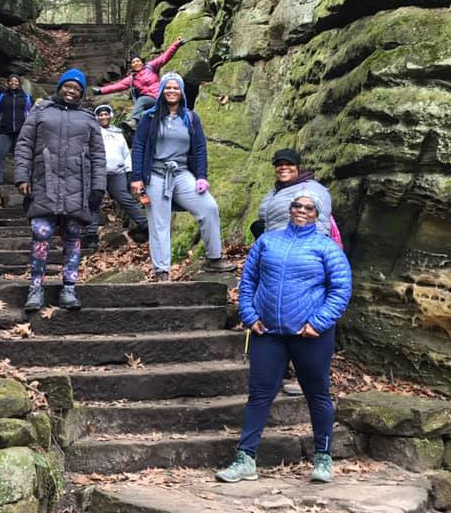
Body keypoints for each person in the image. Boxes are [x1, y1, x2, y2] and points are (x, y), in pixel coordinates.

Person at [215, 189, 352, 485]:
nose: (302, 210)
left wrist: (319, 322)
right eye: (297, 205)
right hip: (269, 333)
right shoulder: (268, 241)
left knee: (317, 395)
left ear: (318, 215)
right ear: (289, 209)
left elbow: (340, 290)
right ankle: (245, 459)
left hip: (310, 335)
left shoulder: (326, 248)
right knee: (259, 395)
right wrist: (249, 315)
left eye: (309, 208)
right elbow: (248, 280)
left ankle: (323, 458)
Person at [14, 69, 106, 312]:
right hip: (44, 183)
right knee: (41, 234)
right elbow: (24, 144)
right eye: (68, 86)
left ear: (81, 93)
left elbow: (98, 155)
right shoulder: (40, 112)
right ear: (60, 87)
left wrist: (98, 186)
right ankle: (35, 288)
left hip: (78, 186)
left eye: (77, 88)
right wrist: (22, 176)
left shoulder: (88, 119)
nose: (71, 91)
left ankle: (69, 288)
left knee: (73, 236)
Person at [130, 72, 235, 281]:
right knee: (160, 222)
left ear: (181, 92)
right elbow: (139, 146)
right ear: (161, 91)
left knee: (209, 207)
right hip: (155, 174)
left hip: (180, 173)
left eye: (175, 88)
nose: (171, 91)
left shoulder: (191, 117)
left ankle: (214, 258)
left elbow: (199, 148)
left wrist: (201, 176)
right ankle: (162, 270)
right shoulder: (149, 117)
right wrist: (137, 177)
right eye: (167, 88)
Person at [84, 104, 149, 250]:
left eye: (106, 114)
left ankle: (144, 224)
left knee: (125, 199)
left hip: (117, 172)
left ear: (110, 116)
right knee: (94, 202)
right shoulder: (92, 132)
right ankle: (91, 234)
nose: (103, 117)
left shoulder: (118, 133)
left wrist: (128, 170)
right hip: (97, 172)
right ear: (96, 117)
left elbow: (126, 153)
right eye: (100, 115)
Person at [252, 148, 343, 249]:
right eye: (279, 164)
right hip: (273, 248)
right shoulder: (275, 190)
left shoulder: (311, 189)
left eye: (289, 164)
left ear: (298, 167)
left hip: (296, 250)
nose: (283, 167)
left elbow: (320, 225)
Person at [92, 37, 185, 125]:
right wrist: (101, 90)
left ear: (141, 62)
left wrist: (176, 44)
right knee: (144, 111)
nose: (136, 63)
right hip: (150, 100)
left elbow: (165, 57)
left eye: (138, 61)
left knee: (141, 100)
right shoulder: (132, 78)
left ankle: (133, 122)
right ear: (131, 65)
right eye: (133, 62)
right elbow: (117, 86)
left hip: (160, 95)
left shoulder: (150, 67)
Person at [0, 74, 33, 189]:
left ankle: (23, 180)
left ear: (19, 83)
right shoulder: (3, 96)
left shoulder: (26, 97)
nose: (13, 83)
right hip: (5, 131)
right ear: (8, 83)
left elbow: (31, 113)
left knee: (22, 156)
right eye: (11, 81)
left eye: (16, 81)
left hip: (21, 131)